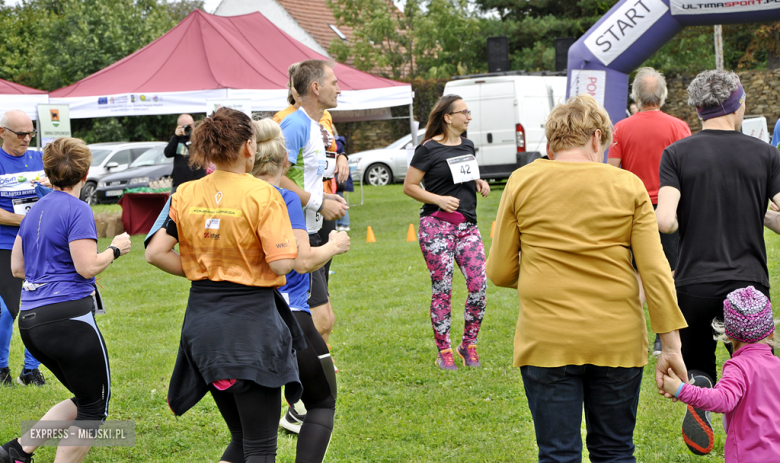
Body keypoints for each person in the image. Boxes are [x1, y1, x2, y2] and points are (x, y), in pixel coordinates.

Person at [486, 94, 688, 462]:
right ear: (598, 138)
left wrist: (542, 272)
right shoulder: (628, 185)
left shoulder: (521, 181)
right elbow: (656, 272)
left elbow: (499, 271)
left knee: (557, 453)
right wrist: (671, 346)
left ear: (550, 144)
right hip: (617, 338)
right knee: (614, 450)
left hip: (547, 338)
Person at [145, 107, 303, 463]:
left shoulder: (185, 192)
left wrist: (205, 268)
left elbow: (155, 253)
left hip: (202, 328)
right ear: (250, 147)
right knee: (261, 447)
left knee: (242, 437)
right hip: (250, 327)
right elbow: (282, 262)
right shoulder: (263, 194)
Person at [656, 69, 780, 456]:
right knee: (757, 370)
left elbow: (665, 221)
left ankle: (701, 389)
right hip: (748, 286)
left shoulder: (677, 154)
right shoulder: (766, 154)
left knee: (699, 361)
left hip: (695, 282)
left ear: (698, 110)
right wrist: (757, 210)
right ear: (738, 102)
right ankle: (760, 436)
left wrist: (682, 217)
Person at [0, 137, 131, 463]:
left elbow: (17, 268)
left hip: (32, 324)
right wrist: (115, 249)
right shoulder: (78, 209)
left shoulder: (33, 213)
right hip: (68, 320)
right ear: (84, 173)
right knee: (94, 407)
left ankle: (17, 451)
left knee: (84, 396)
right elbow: (86, 266)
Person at [252, 118, 349, 461]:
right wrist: (335, 244)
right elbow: (302, 261)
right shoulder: (282, 198)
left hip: (243, 317)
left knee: (250, 438)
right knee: (323, 403)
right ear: (284, 162)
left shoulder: (236, 197)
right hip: (290, 316)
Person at [403, 94, 491, 370]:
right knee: (443, 289)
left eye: (468, 111)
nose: (469, 116)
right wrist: (437, 199)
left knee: (479, 286)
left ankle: (468, 345)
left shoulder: (467, 145)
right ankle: (443, 351)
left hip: (468, 227)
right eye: (463, 112)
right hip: (436, 226)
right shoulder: (427, 149)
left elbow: (461, 172)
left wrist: (478, 180)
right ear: (447, 117)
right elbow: (410, 186)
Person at [608, 67, 691, 355]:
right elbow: (688, 172)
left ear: (636, 96)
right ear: (663, 95)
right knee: (670, 272)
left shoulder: (621, 128)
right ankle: (665, 336)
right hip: (670, 209)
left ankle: (628, 332)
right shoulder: (679, 127)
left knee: (635, 273)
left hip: (633, 210)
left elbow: (612, 173)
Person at [662, 286, 780, 462]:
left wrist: (681, 389)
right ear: (770, 332)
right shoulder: (777, 365)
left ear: (729, 335)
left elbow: (723, 400)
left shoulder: (738, 367)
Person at [279, 60, 349, 349]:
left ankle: (316, 380)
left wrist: (326, 197)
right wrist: (318, 203)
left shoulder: (317, 125)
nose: (339, 89)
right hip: (297, 231)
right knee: (318, 320)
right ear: (315, 87)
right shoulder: (294, 124)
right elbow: (274, 177)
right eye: (334, 83)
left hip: (315, 226)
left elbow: (304, 178)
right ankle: (302, 385)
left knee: (324, 318)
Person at [0, 109, 47, 386]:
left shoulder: (39, 159)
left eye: (31, 133)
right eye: (21, 133)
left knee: (39, 306)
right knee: (7, 309)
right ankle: (1, 368)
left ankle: (30, 370)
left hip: (39, 243)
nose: (27, 138)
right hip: (5, 244)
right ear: (2, 132)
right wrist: (26, 220)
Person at [163, 113, 206, 193]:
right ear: (179, 127)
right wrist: (176, 136)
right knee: (173, 205)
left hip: (197, 183)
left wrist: (194, 136)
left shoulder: (200, 138)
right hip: (179, 184)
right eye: (186, 126)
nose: (190, 128)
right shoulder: (177, 139)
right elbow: (167, 153)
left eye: (191, 125)